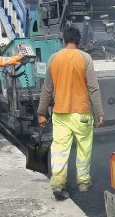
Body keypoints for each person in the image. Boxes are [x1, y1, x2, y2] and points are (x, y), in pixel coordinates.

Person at [37, 27, 103, 200]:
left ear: (63, 41)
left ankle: (58, 185)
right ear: (79, 41)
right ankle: (83, 183)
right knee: (83, 149)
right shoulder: (85, 58)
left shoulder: (54, 58)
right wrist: (99, 112)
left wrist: (41, 112)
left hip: (60, 114)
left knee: (59, 149)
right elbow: (93, 88)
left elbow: (47, 89)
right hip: (82, 114)